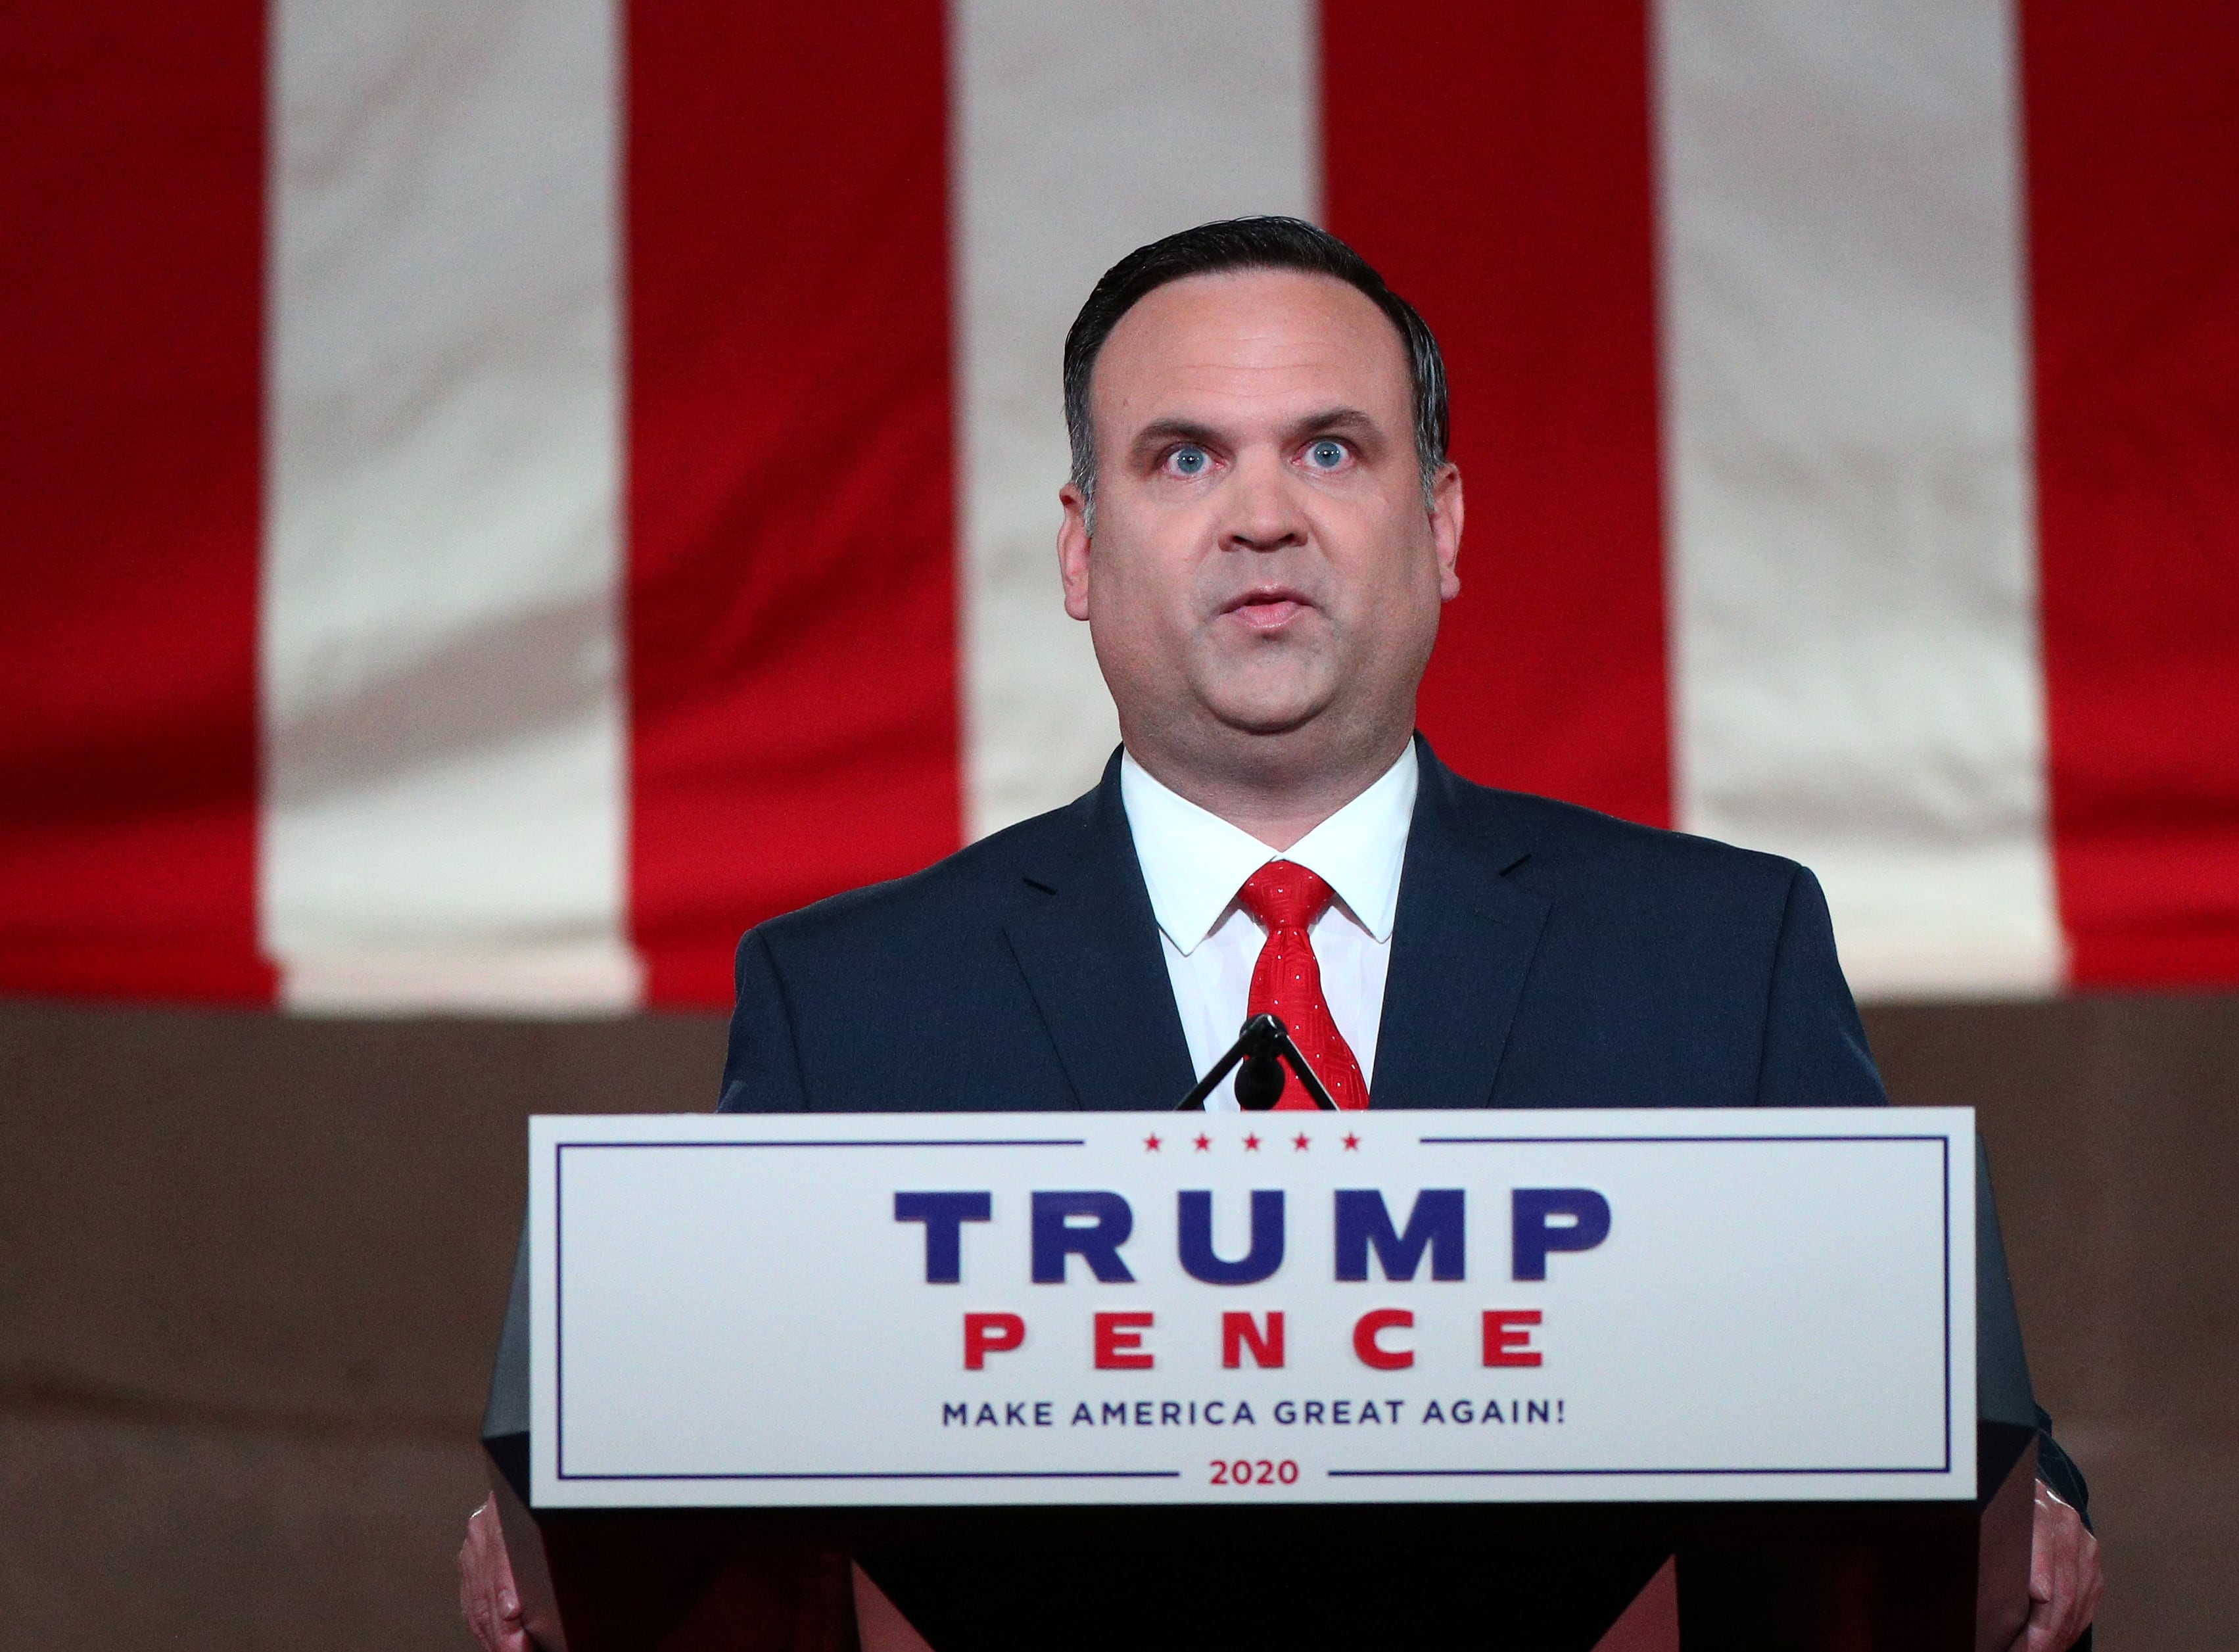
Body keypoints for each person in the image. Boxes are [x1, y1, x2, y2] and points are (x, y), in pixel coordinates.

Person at [463, 216, 2100, 1650]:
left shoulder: (1716, 952)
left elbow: (1897, 1388)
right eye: (1183, 457)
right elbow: (730, 1460)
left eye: (1330, 450)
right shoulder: (851, 998)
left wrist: (2033, 1513)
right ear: (1078, 550)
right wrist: (598, 1501)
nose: (1262, 515)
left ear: (1442, 528)